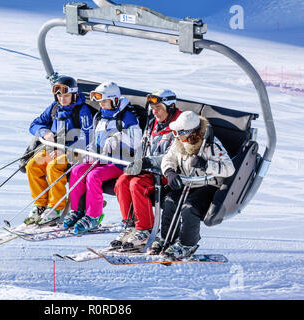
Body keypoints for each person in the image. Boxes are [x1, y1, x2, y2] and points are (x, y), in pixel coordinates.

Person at [152, 110, 235, 260]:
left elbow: (229, 169)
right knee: (170, 201)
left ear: (190, 132)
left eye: (179, 132)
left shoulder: (211, 145)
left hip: (207, 186)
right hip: (187, 183)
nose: (175, 135)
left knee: (189, 208)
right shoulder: (179, 142)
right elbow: (168, 158)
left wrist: (206, 164)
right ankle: (167, 238)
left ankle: (187, 244)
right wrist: (169, 172)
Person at [62, 81, 143, 234]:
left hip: (121, 162)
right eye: (100, 102)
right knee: (77, 170)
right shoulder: (100, 117)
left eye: (105, 101)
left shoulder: (127, 116)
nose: (102, 105)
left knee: (94, 176)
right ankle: (78, 211)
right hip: (102, 158)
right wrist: (89, 152)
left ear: (115, 100)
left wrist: (119, 137)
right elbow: (95, 139)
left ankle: (93, 216)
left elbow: (137, 141)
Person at [111, 89, 182, 249]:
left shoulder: (179, 126)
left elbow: (174, 156)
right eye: (153, 108)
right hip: (149, 168)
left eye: (159, 108)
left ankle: (145, 229)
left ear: (170, 107)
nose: (155, 112)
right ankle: (130, 225)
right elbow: (142, 147)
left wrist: (147, 162)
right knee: (122, 181)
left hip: (168, 172)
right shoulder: (153, 123)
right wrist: (136, 161)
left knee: (137, 184)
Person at [24, 76, 94, 225]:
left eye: (66, 95)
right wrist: (45, 132)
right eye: (59, 95)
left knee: (53, 166)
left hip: (75, 151)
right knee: (32, 166)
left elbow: (88, 137)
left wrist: (65, 150)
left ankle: (56, 207)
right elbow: (35, 124)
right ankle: (40, 205)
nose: (62, 99)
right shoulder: (55, 108)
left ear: (74, 95)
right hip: (55, 148)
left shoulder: (82, 111)